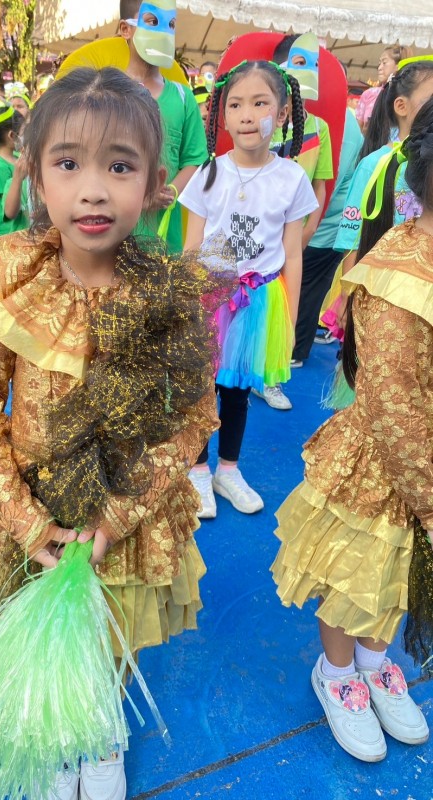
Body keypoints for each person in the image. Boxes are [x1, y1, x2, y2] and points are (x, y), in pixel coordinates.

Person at [0, 66, 220, 800]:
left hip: (122, 516)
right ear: (37, 178)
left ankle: (100, 727)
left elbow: (194, 416)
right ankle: (52, 729)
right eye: (68, 164)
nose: (93, 190)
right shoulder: (12, 282)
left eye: (119, 167)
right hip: (32, 513)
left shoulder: (169, 296)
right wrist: (22, 517)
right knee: (35, 631)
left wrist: (117, 516)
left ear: (156, 184)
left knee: (113, 633)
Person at [271, 100, 433, 763]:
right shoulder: (402, 273)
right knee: (352, 575)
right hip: (391, 463)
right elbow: (393, 403)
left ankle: (374, 662)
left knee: (396, 573)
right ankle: (337, 672)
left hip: (421, 463)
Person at [179, 60, 318, 517]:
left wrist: (290, 318)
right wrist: (184, 303)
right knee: (200, 388)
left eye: (260, 103)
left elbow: (292, 253)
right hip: (209, 299)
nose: (246, 115)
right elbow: (192, 246)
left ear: (282, 113)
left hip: (258, 304)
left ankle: (228, 469)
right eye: (236, 104)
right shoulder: (208, 174)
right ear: (222, 114)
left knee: (238, 390)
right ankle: (198, 471)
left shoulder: (292, 178)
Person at [255, 33, 335, 409]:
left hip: (294, 237)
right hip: (253, 236)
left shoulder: (320, 129)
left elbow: (320, 185)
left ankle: (270, 378)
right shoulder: (259, 118)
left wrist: (308, 230)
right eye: (301, 62)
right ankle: (239, 377)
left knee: (283, 308)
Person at [332, 60, 433, 327]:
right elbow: (354, 237)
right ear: (401, 106)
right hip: (382, 293)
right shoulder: (373, 165)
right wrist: (348, 297)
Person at [118, 0, 208, 253]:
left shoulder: (183, 97)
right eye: (152, 21)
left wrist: (171, 191)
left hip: (167, 243)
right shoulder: (107, 92)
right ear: (126, 29)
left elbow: (194, 158)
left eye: (171, 24)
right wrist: (136, 196)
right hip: (114, 241)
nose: (163, 31)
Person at [291, 107, 363, 366]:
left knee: (305, 290)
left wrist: (307, 227)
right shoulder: (337, 118)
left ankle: (295, 349)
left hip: (321, 227)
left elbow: (328, 181)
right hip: (316, 224)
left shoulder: (335, 122)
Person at [0, 105, 28, 238]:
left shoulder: (17, 158)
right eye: (23, 132)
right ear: (12, 135)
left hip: (17, 229)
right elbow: (9, 206)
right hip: (3, 232)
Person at [355, 46, 412, 133]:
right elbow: (357, 131)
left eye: (384, 63)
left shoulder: (410, 96)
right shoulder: (369, 94)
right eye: (379, 63)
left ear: (398, 65)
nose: (379, 68)